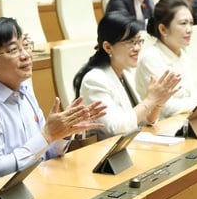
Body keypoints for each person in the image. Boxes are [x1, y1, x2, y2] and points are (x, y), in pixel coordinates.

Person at [0, 17, 105, 190]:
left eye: (25, 46)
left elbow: (45, 153)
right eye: (13, 50)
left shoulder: (24, 90)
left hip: (35, 188)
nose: (26, 55)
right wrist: (47, 135)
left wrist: (62, 133)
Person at [74, 12, 181, 140]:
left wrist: (158, 103)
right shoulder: (95, 79)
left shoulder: (125, 74)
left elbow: (143, 120)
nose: (137, 48)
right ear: (108, 47)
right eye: (131, 42)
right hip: (106, 154)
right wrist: (150, 100)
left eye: (139, 41)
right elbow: (115, 129)